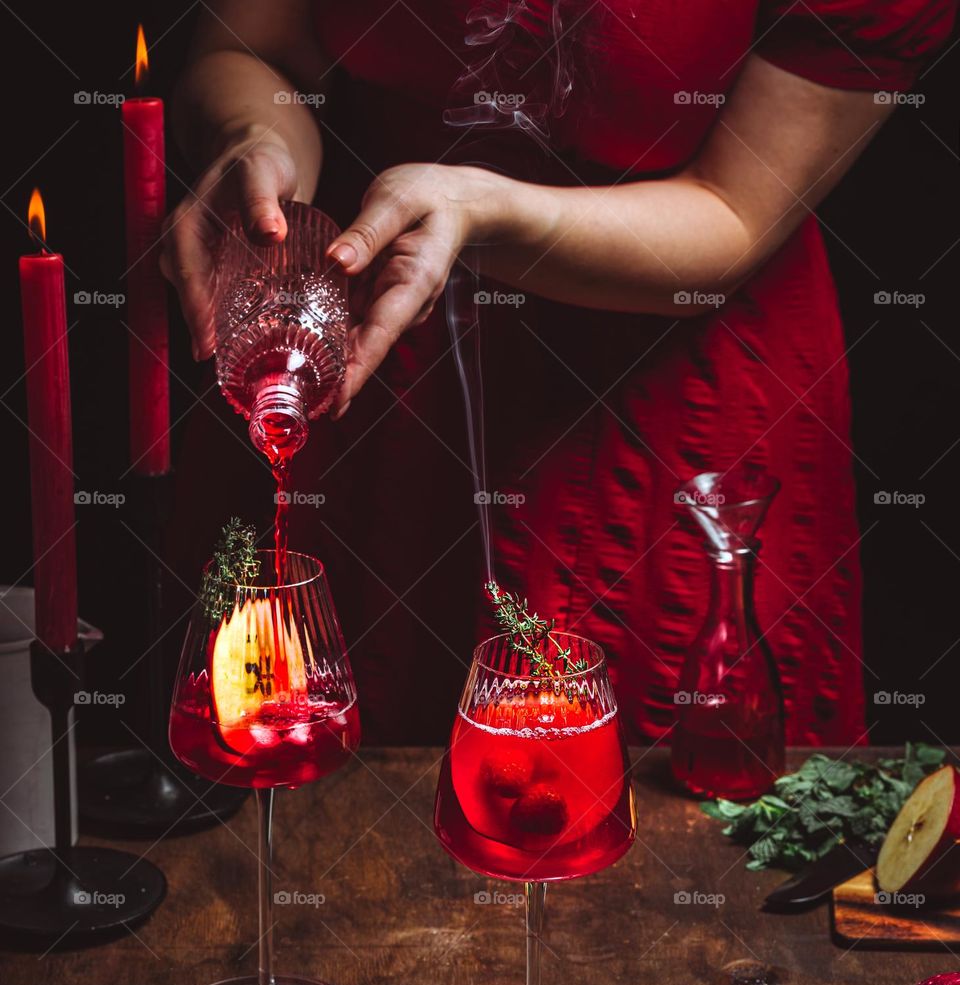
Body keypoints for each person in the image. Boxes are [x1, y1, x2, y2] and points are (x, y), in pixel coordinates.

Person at [162, 0, 954, 744]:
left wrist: (479, 212)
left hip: (665, 392)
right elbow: (246, 49)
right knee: (310, 785)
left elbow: (736, 208)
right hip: (367, 351)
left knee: (637, 820)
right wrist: (252, 141)